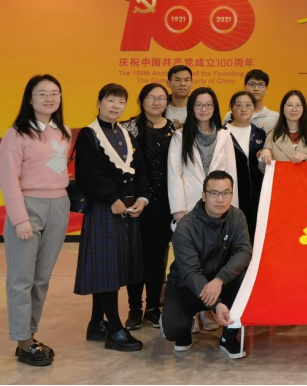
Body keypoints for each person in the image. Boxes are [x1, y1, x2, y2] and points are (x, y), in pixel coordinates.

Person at [0, 75, 71, 366]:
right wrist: (20, 219)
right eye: (42, 93)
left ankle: (29, 335)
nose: (49, 98)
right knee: (21, 279)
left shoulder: (63, 131)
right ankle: (22, 340)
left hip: (59, 206)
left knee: (41, 279)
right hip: (28, 207)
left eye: (55, 93)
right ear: (29, 99)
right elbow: (8, 179)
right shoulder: (16, 134)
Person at [73, 83, 149, 352]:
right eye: (110, 100)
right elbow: (88, 174)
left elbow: (141, 170)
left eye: (121, 102)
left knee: (114, 267)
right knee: (106, 270)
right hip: (105, 208)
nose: (116, 106)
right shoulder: (89, 134)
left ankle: (96, 324)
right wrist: (112, 199)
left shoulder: (127, 134)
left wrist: (142, 197)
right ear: (99, 102)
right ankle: (115, 330)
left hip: (128, 209)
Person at [168, 87, 239, 334]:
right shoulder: (180, 136)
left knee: (215, 259)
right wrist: (179, 210)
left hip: (219, 206)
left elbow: (231, 173)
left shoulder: (224, 135)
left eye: (208, 105)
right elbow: (175, 173)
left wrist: (232, 207)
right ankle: (191, 310)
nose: (204, 109)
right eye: (198, 104)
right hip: (190, 207)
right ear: (192, 108)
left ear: (215, 108)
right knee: (191, 261)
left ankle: (207, 309)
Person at [160, 171, 252, 359]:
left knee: (244, 279)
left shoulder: (237, 216)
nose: (221, 199)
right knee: (174, 330)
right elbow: (191, 273)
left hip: (220, 283)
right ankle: (184, 329)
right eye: (214, 193)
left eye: (226, 193)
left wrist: (220, 280)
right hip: (187, 287)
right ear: (203, 196)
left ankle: (228, 338)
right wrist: (216, 304)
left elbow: (244, 251)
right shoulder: (185, 227)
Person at [121, 83, 177, 331]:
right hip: (136, 203)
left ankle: (153, 308)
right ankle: (134, 309)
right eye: (151, 98)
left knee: (157, 258)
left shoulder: (174, 129)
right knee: (135, 257)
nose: (156, 102)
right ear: (141, 100)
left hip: (164, 204)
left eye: (161, 98)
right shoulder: (129, 128)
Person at [226, 91, 266, 241]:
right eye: (239, 105)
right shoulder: (222, 133)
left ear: (254, 108)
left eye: (248, 105)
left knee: (256, 235)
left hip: (258, 195)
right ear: (231, 108)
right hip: (233, 194)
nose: (243, 109)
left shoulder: (260, 134)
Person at [260, 90, 307, 166]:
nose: (294, 109)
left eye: (298, 105)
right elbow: (264, 169)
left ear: (303, 109)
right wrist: (263, 156)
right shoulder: (273, 135)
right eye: (289, 105)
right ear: (283, 109)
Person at [224, 69, 280, 134]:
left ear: (266, 89)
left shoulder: (275, 117)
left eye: (260, 85)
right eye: (252, 84)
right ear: (245, 87)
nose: (256, 88)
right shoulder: (232, 115)